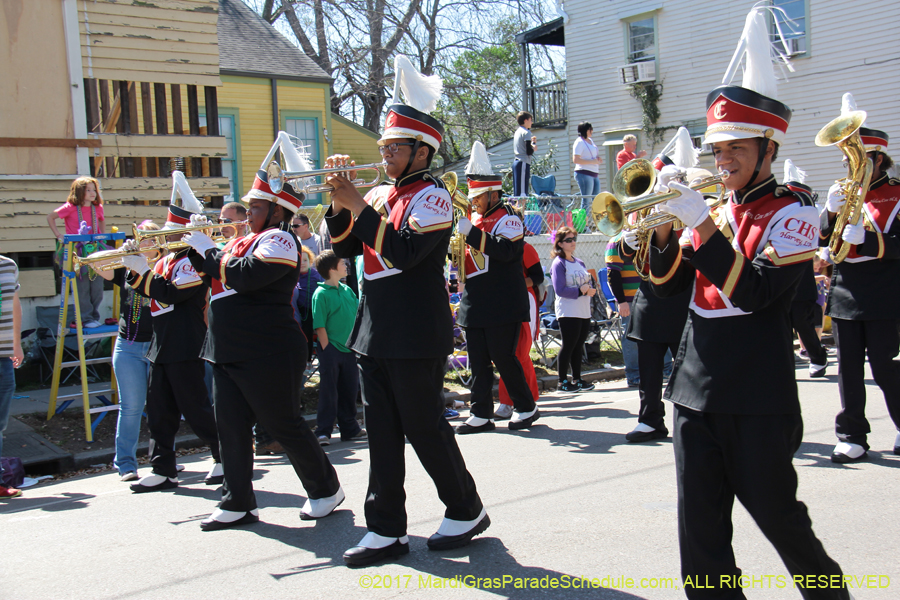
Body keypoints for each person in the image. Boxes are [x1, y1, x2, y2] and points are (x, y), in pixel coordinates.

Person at [647, 7, 847, 595]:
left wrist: (699, 225)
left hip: (756, 394)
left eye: (736, 146)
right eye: (717, 149)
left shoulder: (793, 214)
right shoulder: (712, 208)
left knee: (783, 523)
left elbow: (756, 293)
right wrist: (662, 229)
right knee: (700, 535)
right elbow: (665, 284)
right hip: (693, 389)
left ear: (768, 148)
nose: (723, 159)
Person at [323, 55, 487, 566]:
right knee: (382, 434)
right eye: (384, 148)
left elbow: (403, 252)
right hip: (374, 329)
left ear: (422, 151)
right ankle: (386, 528)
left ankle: (465, 507)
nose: (386, 155)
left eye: (394, 148)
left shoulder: (433, 198)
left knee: (423, 426)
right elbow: (344, 249)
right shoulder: (376, 194)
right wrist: (339, 201)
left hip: (416, 328)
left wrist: (358, 204)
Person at [182, 132, 344, 531]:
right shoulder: (241, 241)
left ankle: (326, 489)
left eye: (255, 207)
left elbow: (248, 276)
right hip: (227, 347)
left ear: (276, 211)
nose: (246, 214)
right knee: (230, 428)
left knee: (282, 423)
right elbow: (209, 273)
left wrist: (209, 251)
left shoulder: (280, 239)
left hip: (267, 347)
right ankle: (237, 500)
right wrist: (194, 245)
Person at [120, 176, 223, 494]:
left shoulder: (194, 261)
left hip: (185, 342)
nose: (164, 238)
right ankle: (162, 468)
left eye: (171, 233)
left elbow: (171, 293)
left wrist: (143, 271)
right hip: (161, 343)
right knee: (159, 411)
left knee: (196, 409)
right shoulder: (165, 260)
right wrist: (134, 267)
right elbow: (148, 289)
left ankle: (225, 455)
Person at [820, 93, 900, 463]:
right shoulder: (844, 191)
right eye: (846, 158)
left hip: (884, 291)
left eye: (857, 157)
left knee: (884, 366)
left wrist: (869, 241)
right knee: (848, 369)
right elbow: (825, 240)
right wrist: (828, 213)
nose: (850, 164)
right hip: (845, 291)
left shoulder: (897, 193)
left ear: (878, 159)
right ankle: (851, 435)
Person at [618, 129, 698, 443]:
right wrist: (626, 242)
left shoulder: (695, 206)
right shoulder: (645, 209)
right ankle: (650, 419)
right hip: (650, 298)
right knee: (649, 367)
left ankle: (694, 420)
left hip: (683, 296)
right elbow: (628, 253)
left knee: (689, 366)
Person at [455, 141, 540, 434]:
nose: (474, 202)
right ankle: (481, 413)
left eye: (478, 197)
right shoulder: (474, 219)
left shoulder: (509, 218)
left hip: (503, 301)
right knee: (478, 361)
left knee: (504, 358)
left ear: (493, 193)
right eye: (473, 197)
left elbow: (506, 251)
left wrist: (471, 234)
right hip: (476, 300)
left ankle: (526, 407)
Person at [95, 221, 159, 481]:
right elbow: (96, 262)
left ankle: (163, 462)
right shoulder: (126, 269)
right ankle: (125, 464)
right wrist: (122, 252)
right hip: (129, 346)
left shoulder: (165, 268)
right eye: (141, 238)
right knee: (131, 407)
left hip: (158, 345)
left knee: (161, 407)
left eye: (150, 238)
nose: (145, 243)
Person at [311, 250, 366, 446]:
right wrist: (327, 349)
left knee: (349, 390)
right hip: (332, 349)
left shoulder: (347, 290)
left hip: (350, 349)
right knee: (329, 391)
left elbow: (357, 316)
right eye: (343, 263)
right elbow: (320, 325)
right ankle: (323, 431)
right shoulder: (320, 294)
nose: (346, 266)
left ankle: (349, 428)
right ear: (332, 269)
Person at [47, 177, 106, 328]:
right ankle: (85, 318)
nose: (92, 193)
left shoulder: (98, 207)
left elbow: (101, 220)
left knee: (97, 286)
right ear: (79, 191)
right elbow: (51, 217)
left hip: (95, 249)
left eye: (94, 190)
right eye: (88, 190)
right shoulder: (70, 207)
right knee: (82, 286)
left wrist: (102, 236)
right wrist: (58, 235)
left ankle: (94, 317)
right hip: (77, 251)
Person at [495, 240, 544, 420]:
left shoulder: (525, 248)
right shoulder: (492, 247)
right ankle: (527, 398)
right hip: (501, 302)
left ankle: (510, 401)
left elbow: (537, 276)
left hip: (523, 300)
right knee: (508, 353)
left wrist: (515, 285)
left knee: (519, 352)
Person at [551, 226, 597, 392]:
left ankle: (577, 379)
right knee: (569, 345)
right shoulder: (559, 263)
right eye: (568, 240)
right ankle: (562, 381)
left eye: (574, 239)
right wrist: (579, 291)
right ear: (560, 243)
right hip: (568, 310)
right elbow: (560, 289)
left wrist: (590, 289)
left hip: (583, 310)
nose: (573, 242)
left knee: (579, 345)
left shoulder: (579, 262)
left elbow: (586, 281)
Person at [0, 252, 24, 499]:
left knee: (0, 424)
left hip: (3, 355)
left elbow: (14, 304)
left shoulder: (8, 266)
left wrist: (16, 344)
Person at [606, 232, 640, 387]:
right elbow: (612, 274)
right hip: (629, 300)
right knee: (630, 337)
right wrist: (621, 301)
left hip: (648, 296)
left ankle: (665, 369)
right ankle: (634, 375)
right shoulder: (615, 242)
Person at [292, 245, 323, 369]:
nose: (302, 263)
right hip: (298, 310)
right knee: (303, 334)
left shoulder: (315, 275)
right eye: (299, 261)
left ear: (310, 261)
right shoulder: (293, 275)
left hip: (313, 310)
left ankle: (313, 359)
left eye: (305, 260)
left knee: (310, 332)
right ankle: (304, 360)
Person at [572, 121, 602, 211]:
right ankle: (585, 220)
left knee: (597, 199)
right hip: (584, 173)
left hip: (594, 173)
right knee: (586, 200)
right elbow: (576, 160)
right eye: (590, 129)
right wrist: (592, 161)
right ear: (585, 130)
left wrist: (597, 158)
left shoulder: (590, 141)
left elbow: (590, 155)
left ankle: (597, 219)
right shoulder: (579, 142)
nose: (592, 131)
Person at [512, 111, 537, 197]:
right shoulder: (526, 132)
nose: (531, 122)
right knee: (522, 194)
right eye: (530, 120)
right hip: (523, 162)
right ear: (525, 120)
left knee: (517, 192)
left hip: (516, 162)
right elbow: (529, 151)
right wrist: (534, 147)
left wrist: (532, 143)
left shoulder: (517, 132)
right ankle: (521, 206)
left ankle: (517, 206)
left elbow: (525, 147)